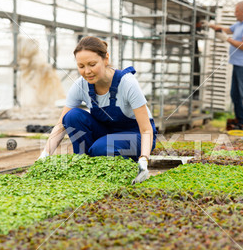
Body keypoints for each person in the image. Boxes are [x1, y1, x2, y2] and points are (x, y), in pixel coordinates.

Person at [38, 36, 157, 184]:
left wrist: (144, 159)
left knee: (102, 148)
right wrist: (45, 154)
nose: (87, 71)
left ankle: (125, 167)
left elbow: (146, 130)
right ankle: (84, 166)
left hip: (137, 135)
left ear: (106, 59)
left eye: (92, 64)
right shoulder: (81, 85)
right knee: (72, 116)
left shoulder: (127, 83)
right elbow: (61, 125)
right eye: (81, 66)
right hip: (107, 133)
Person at [202, 1, 243, 132]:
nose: (235, 14)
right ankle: (241, 121)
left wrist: (226, 39)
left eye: (236, 11)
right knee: (235, 94)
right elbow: (226, 30)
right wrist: (211, 25)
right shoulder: (239, 24)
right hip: (237, 64)